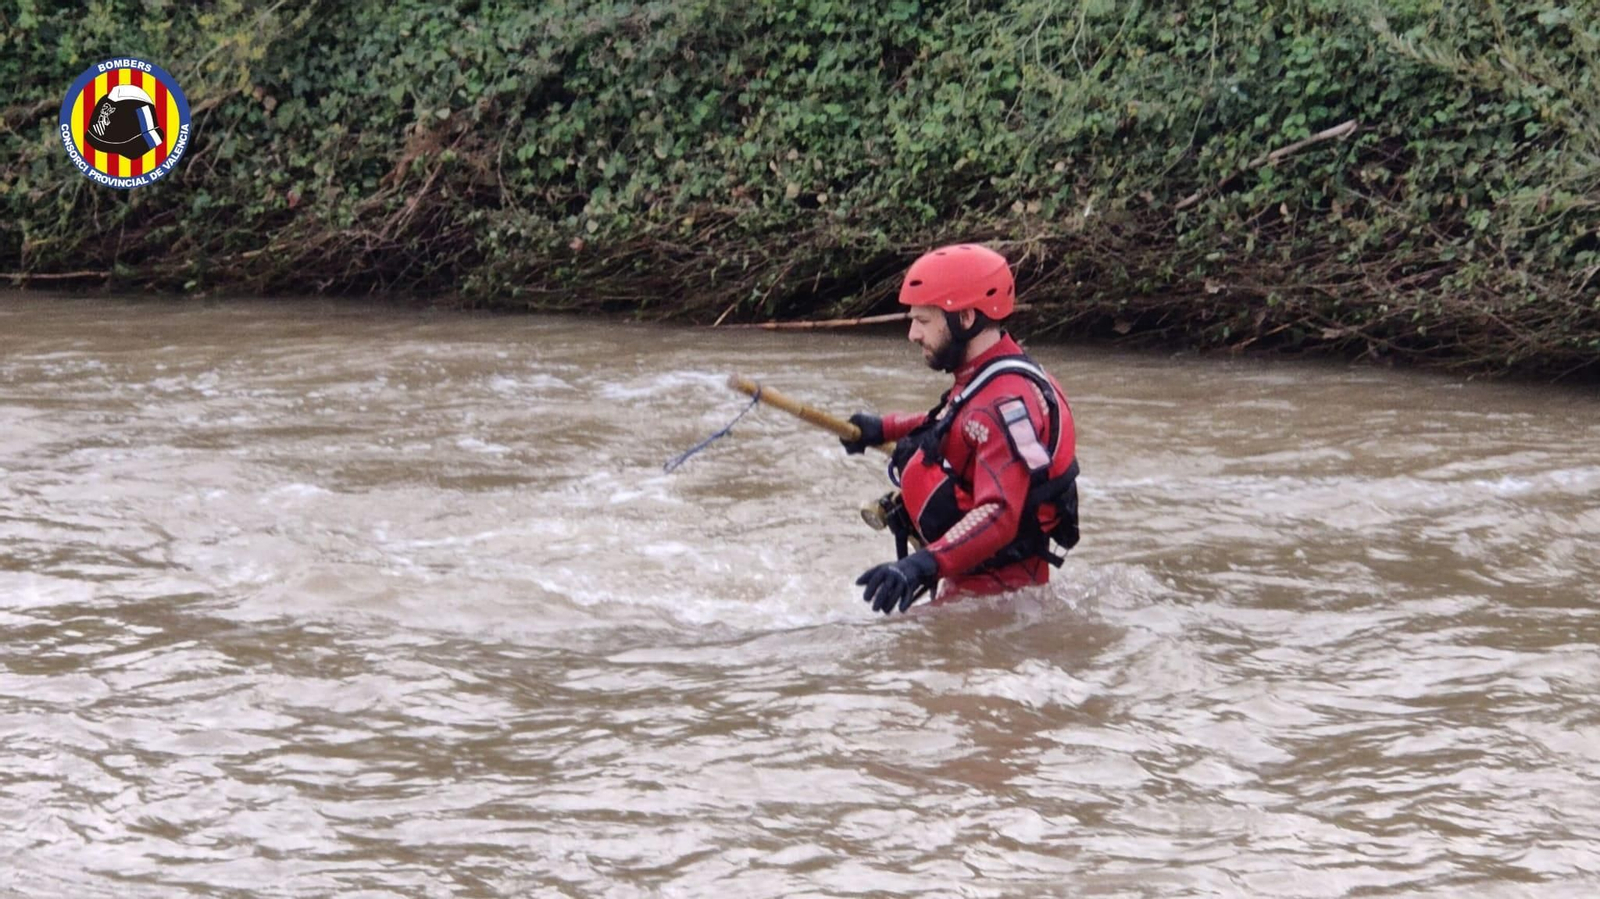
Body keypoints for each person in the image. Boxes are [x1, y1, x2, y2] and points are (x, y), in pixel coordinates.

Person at [841, 243, 1079, 615]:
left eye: (922, 321)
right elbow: (955, 421)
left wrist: (921, 565)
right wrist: (883, 428)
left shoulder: (1004, 405)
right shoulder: (989, 375)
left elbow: (1000, 512)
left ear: (965, 318)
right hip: (972, 586)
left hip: (994, 604)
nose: (912, 335)